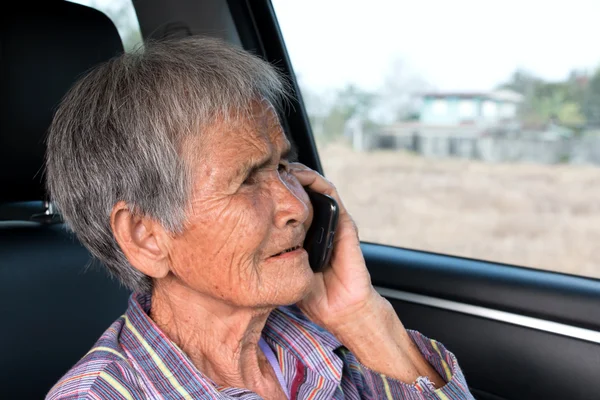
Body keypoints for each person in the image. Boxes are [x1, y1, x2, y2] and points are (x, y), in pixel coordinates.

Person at [45, 36, 474, 400]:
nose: (297, 206)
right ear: (146, 237)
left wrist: (359, 316)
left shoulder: (324, 340)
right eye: (248, 179)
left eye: (284, 167)